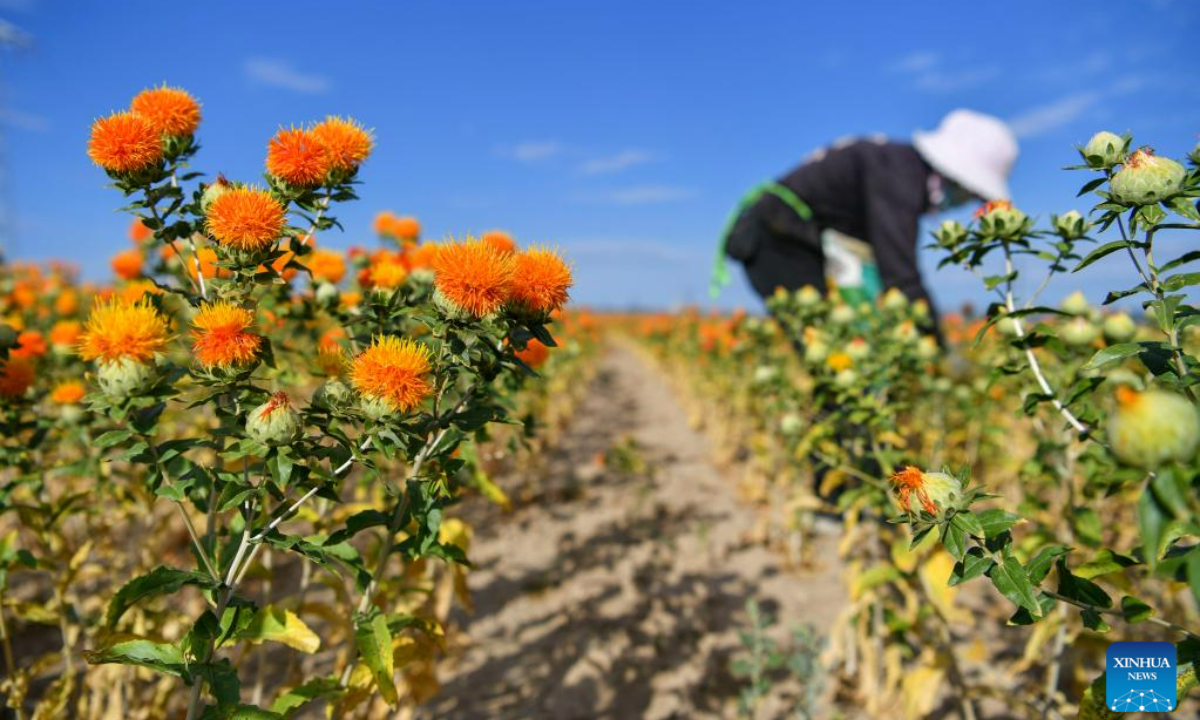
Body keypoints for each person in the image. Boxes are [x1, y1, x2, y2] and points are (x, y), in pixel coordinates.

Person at [710, 109, 1018, 320]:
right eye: (970, 193)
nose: (966, 202)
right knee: (832, 349)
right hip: (775, 240)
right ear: (953, 175)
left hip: (789, 236)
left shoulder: (897, 166)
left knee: (840, 341)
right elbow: (900, 273)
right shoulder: (899, 177)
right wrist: (937, 344)